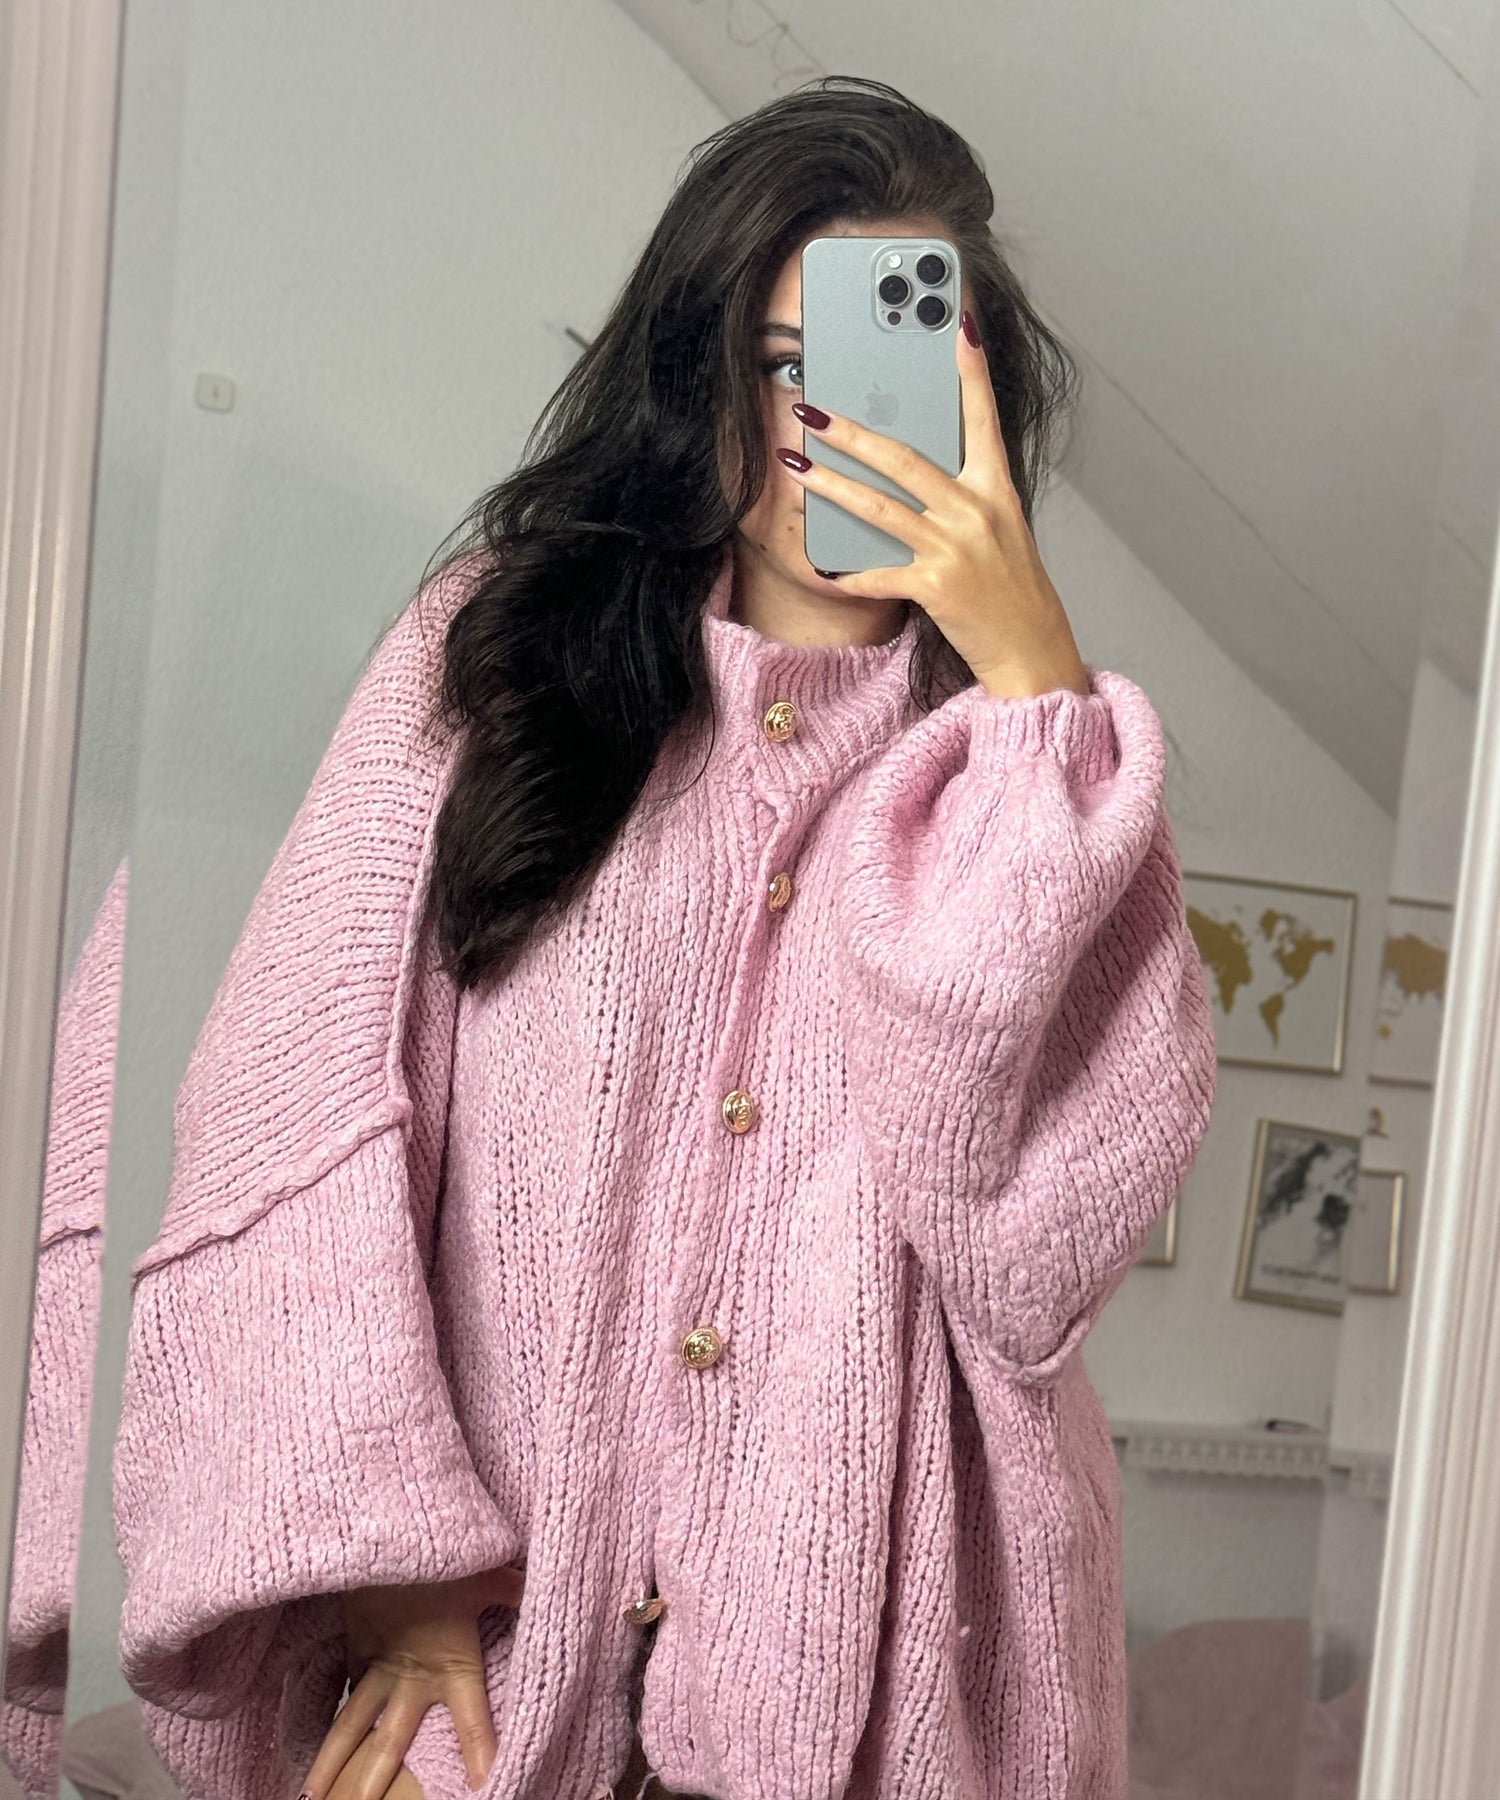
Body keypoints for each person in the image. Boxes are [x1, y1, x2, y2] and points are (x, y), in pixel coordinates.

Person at [111, 76, 1217, 1800]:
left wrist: (1033, 696)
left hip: (879, 1700)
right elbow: (288, 1104)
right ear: (697, 377)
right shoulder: (499, 662)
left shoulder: (1038, 778)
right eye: (784, 365)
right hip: (482, 1660)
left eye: (892, 369)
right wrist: (387, 1553)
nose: (830, 424)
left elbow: (1034, 1259)